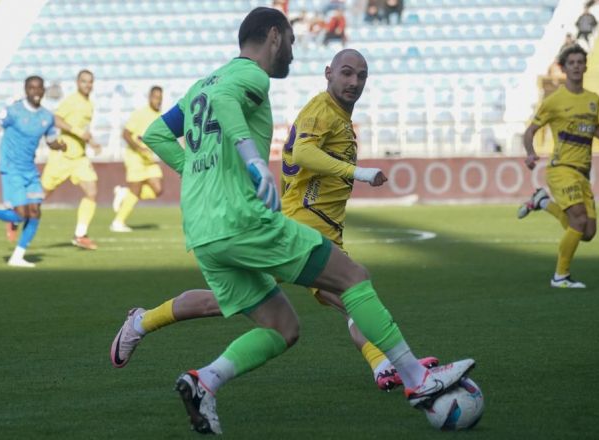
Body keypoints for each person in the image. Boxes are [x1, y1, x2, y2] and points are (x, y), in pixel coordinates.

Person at [110, 7, 474, 434]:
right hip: (243, 220)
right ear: (274, 37)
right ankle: (417, 378)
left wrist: (198, 173)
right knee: (353, 278)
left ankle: (204, 381)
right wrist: (251, 160)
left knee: (282, 326)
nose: (293, 53)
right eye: (292, 42)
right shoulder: (251, 76)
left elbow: (156, 133)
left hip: (203, 232)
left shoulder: (200, 86)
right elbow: (226, 105)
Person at [517, 45, 599, 288]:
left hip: (583, 172)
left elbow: (595, 129)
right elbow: (530, 131)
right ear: (564, 68)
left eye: (580, 62)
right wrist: (530, 153)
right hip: (561, 169)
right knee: (579, 219)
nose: (576, 66)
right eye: (571, 62)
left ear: (585, 66)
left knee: (587, 232)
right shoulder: (554, 100)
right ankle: (560, 276)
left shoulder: (592, 99)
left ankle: (543, 202)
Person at [0, 76, 66, 267]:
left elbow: (51, 141)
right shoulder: (13, 111)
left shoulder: (47, 117)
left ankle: (17, 256)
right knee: (20, 215)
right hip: (11, 168)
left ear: (44, 90)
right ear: (26, 90)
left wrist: (60, 146)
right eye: (31, 88)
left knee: (35, 213)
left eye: (39, 88)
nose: (36, 91)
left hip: (29, 169)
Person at [40, 69, 102, 250]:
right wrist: (78, 132)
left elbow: (83, 130)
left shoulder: (89, 104)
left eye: (90, 81)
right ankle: (13, 217)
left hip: (79, 158)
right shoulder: (72, 100)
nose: (87, 85)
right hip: (63, 156)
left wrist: (91, 142)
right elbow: (56, 119)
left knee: (92, 191)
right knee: (40, 197)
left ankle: (80, 235)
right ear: (77, 82)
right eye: (84, 81)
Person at [111, 86, 164, 232]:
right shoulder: (139, 114)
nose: (158, 101)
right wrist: (139, 148)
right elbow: (126, 134)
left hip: (149, 159)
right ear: (150, 97)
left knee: (158, 190)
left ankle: (124, 193)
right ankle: (118, 222)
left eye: (160, 98)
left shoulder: (161, 117)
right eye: (155, 97)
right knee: (136, 189)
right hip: (135, 157)